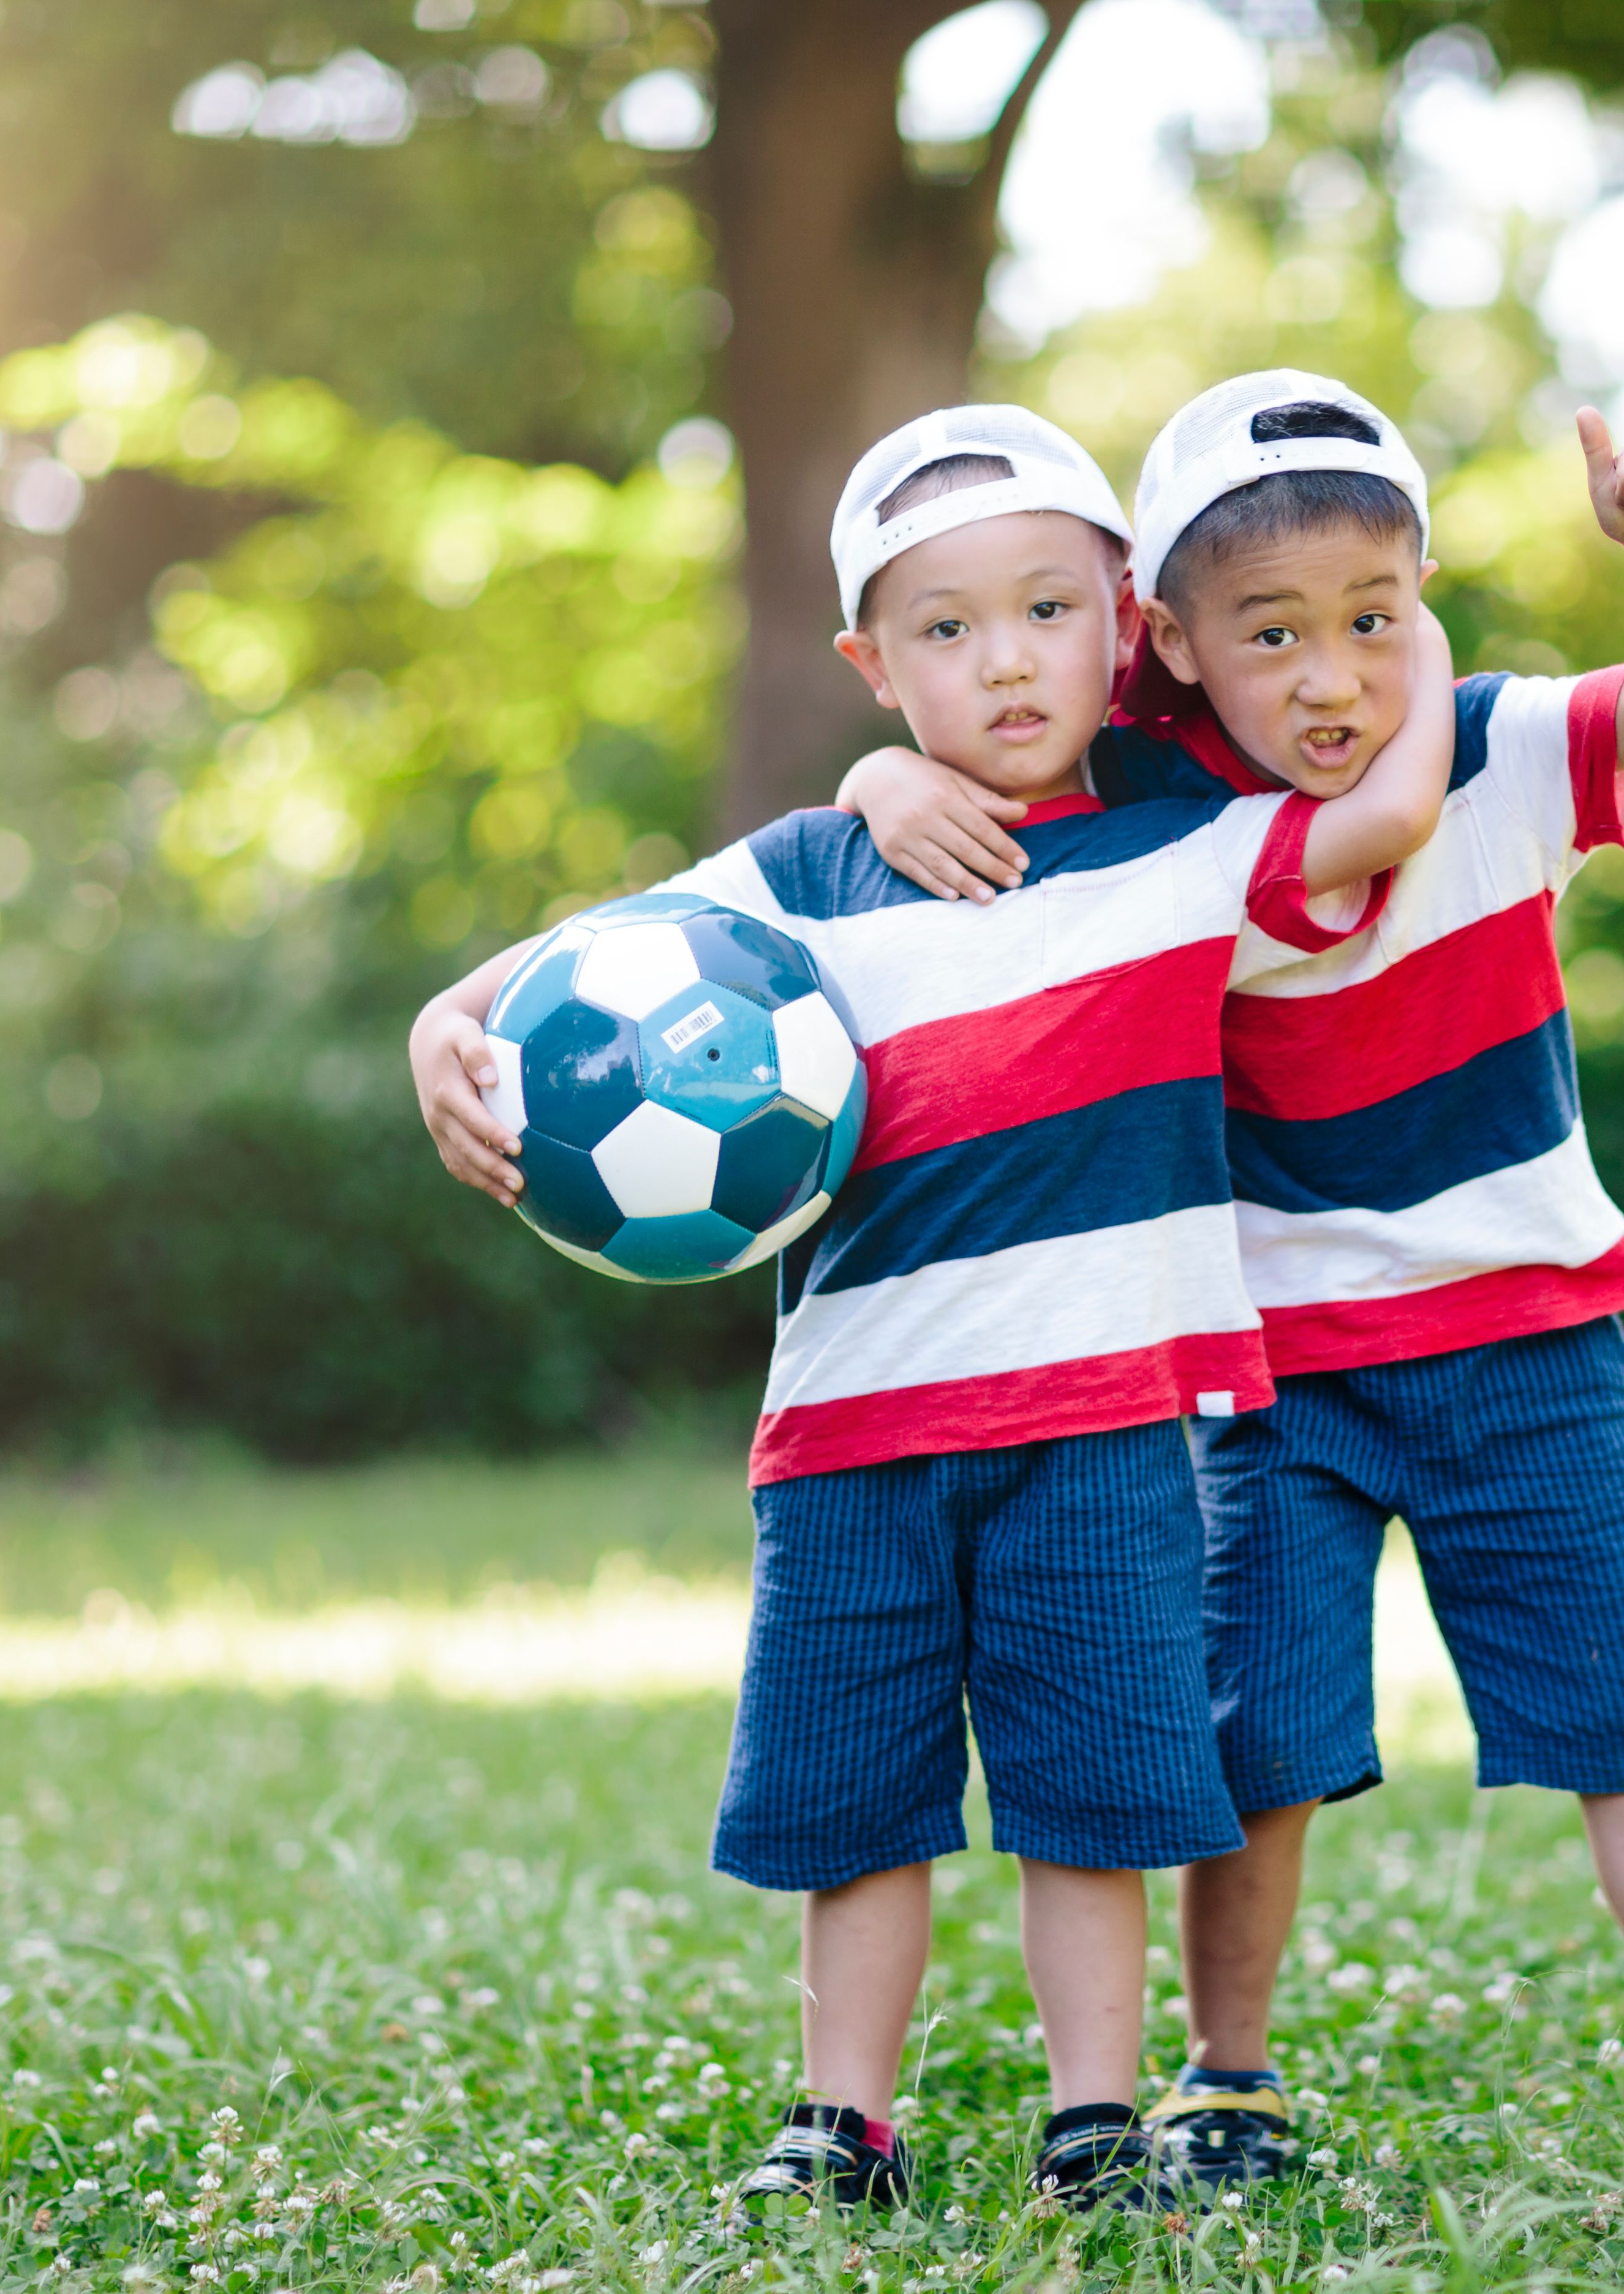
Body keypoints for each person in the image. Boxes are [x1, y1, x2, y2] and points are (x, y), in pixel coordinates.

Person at [409, 403, 1454, 2214]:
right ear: (872, 666)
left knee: (1104, 1790)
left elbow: (1394, 809)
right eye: (946, 630)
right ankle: (843, 2123)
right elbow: (570, 970)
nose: (1005, 660)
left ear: (1125, 628)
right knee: (856, 1797)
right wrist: (446, 1021)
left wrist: (1417, 635)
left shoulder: (1185, 850)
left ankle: (1097, 2122)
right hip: (858, 1439)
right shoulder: (803, 883)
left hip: (1111, 1432)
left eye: (1047, 612)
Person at [836, 372, 1624, 2180]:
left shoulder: (1497, 742)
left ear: (1425, 596)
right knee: (1259, 1734)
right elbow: (983, 738)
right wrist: (880, 766)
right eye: (1273, 636)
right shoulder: (1151, 806)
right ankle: (1228, 2075)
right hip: (1268, 1362)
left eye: (1374, 622)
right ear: (1172, 647)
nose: (1333, 678)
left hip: (1525, 1330)